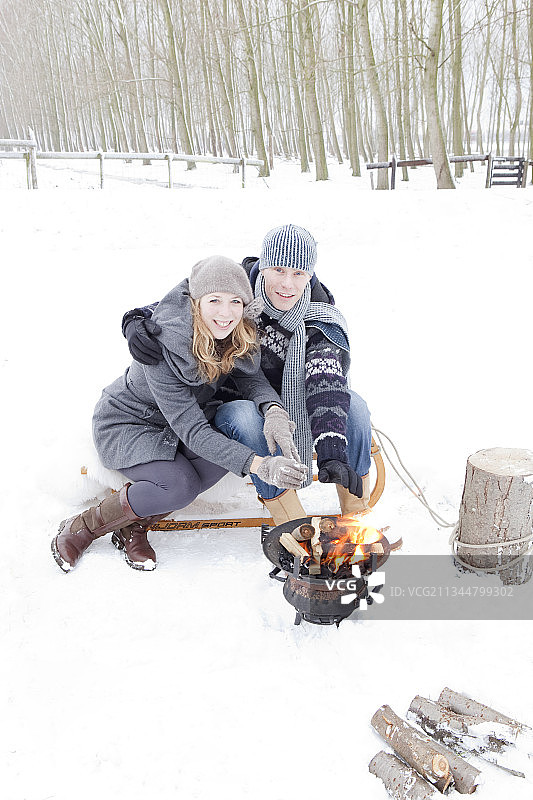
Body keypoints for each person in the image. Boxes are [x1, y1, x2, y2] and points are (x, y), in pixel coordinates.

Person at [52, 255, 306, 573]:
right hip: (131, 422)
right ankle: (83, 526)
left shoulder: (237, 328)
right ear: (196, 301)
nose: (225, 312)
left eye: (235, 302)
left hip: (177, 424)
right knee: (179, 487)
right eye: (214, 300)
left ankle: (133, 525)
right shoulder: (164, 343)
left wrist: (274, 411)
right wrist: (261, 466)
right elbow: (193, 431)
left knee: (224, 455)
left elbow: (250, 377)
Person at [122, 225, 372, 526]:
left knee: (356, 407)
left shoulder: (320, 318)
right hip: (237, 396)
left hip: (299, 396)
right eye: (278, 270)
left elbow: (326, 381)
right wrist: (136, 318)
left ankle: (355, 517)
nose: (287, 284)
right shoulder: (238, 286)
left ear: (310, 275)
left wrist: (331, 451)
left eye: (298, 273)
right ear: (263, 266)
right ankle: (289, 521)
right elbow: (191, 298)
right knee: (244, 417)